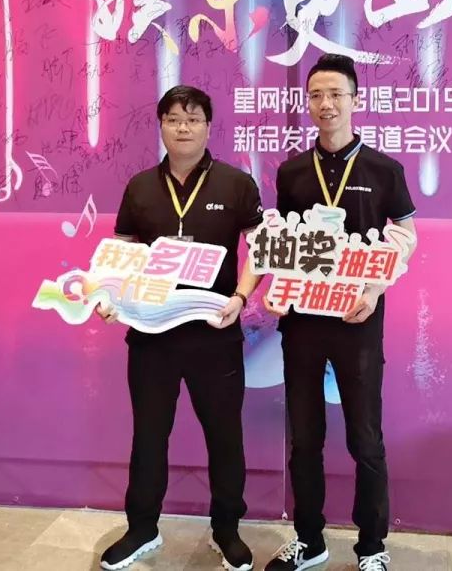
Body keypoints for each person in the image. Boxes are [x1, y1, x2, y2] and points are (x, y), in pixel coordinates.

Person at [99, 85, 263, 571]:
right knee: (149, 435)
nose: (183, 128)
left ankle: (227, 529)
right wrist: (110, 297)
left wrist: (241, 297)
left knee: (225, 436)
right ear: (161, 127)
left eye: (192, 119)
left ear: (208, 126)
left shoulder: (236, 184)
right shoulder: (140, 186)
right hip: (151, 335)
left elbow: (259, 249)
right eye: (173, 119)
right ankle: (142, 529)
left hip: (214, 330)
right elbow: (123, 254)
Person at [265, 55, 417, 571]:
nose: (325, 104)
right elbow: (285, 244)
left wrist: (374, 290)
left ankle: (372, 546)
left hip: (357, 320)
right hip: (303, 323)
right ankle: (309, 540)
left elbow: (406, 237)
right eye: (316, 95)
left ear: (355, 99)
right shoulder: (291, 171)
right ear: (307, 102)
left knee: (365, 439)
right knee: (305, 438)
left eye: (336, 94)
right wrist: (277, 288)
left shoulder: (383, 170)